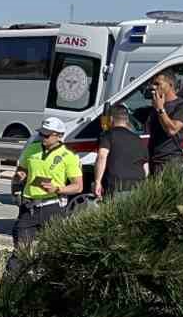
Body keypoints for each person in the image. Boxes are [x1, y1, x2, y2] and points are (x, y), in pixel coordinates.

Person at [9, 118, 83, 266]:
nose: (43, 137)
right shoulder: (32, 149)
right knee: (20, 253)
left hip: (53, 207)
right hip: (29, 208)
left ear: (59, 136)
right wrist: (19, 178)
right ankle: (10, 285)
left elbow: (78, 187)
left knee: (54, 252)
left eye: (47, 135)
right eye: (41, 133)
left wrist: (57, 189)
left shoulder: (68, 156)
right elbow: (21, 171)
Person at [93, 104, 146, 199]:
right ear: (127, 120)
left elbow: (102, 156)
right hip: (139, 186)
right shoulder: (138, 139)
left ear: (111, 119)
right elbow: (145, 165)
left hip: (117, 186)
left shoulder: (108, 135)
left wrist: (97, 181)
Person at [145, 71, 183, 176]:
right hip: (154, 160)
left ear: (170, 85)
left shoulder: (182, 106)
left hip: (169, 161)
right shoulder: (155, 106)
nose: (153, 87)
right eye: (153, 84)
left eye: (157, 84)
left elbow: (172, 130)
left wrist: (160, 109)